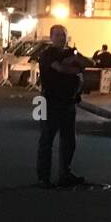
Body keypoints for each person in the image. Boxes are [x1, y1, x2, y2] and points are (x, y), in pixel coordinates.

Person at [36, 25, 93, 188]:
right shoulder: (47, 54)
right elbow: (60, 69)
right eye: (58, 35)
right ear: (51, 37)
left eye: (64, 35)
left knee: (68, 140)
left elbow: (89, 62)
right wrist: (76, 67)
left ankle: (65, 173)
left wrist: (74, 60)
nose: (61, 37)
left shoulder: (70, 52)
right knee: (46, 139)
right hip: (49, 100)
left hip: (68, 101)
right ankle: (43, 177)